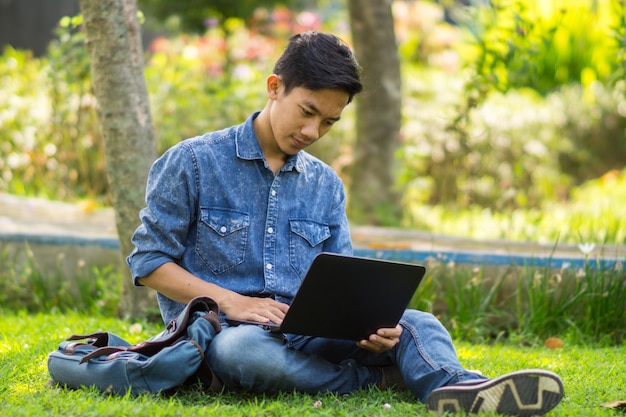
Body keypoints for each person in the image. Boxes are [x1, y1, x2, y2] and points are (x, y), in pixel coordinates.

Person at [127, 31, 564, 415]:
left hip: (308, 334)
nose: (313, 132)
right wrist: (230, 302)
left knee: (418, 324)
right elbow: (147, 262)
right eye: (308, 111)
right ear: (274, 87)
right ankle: (381, 381)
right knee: (242, 351)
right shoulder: (193, 162)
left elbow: (343, 278)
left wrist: (365, 326)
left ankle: (458, 389)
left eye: (330, 122)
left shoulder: (326, 185)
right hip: (225, 333)